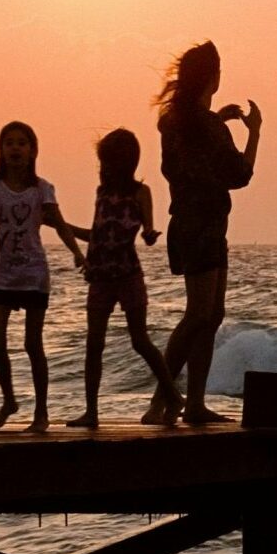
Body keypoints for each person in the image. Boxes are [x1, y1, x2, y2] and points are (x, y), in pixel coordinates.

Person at [151, 41, 261, 427]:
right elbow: (239, 175)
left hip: (190, 224)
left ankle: (193, 402)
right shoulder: (207, 126)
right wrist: (255, 132)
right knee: (199, 313)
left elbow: (193, 152)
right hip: (204, 226)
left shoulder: (175, 121)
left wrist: (217, 116)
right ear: (211, 77)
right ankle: (162, 400)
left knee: (211, 314)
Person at [0, 120, 87, 432]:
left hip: (34, 274)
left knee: (33, 344)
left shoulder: (41, 189)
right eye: (9, 143)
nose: (15, 148)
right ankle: (9, 399)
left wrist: (77, 252)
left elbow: (59, 224)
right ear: (1, 151)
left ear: (32, 151)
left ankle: (41, 413)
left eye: (22, 143)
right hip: (2, 275)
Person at [66, 128, 173, 430]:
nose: (104, 168)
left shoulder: (141, 193)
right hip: (99, 276)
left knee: (140, 340)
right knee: (93, 344)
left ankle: (171, 394)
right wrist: (62, 226)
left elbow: (147, 232)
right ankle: (91, 412)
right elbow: (96, 236)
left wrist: (150, 234)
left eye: (108, 162)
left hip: (128, 274)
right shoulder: (102, 193)